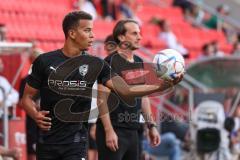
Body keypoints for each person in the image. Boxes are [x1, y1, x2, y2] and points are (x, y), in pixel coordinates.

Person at [21, 11, 179, 160]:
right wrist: (35, 114)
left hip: (77, 142)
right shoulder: (44, 61)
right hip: (47, 141)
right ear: (72, 33)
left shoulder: (97, 64)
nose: (93, 35)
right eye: (87, 30)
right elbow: (26, 98)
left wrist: (160, 87)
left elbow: (126, 90)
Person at [96, 19, 162, 160]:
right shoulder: (108, 63)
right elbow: (102, 101)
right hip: (114, 130)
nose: (140, 37)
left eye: (139, 33)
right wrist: (109, 131)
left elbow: (144, 98)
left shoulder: (140, 62)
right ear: (121, 37)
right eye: (134, 33)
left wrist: (151, 125)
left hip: (134, 131)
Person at [19, 43, 43, 160]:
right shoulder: (25, 80)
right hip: (33, 122)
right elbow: (21, 102)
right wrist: (32, 106)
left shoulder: (49, 80)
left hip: (46, 121)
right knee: (32, 152)